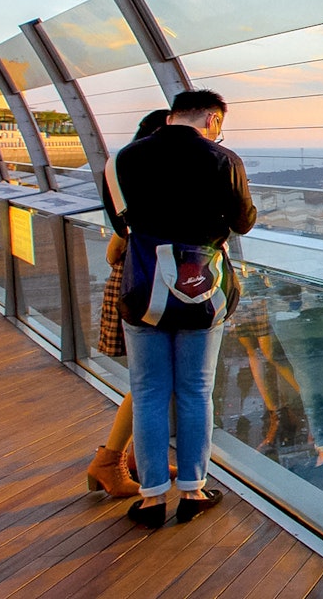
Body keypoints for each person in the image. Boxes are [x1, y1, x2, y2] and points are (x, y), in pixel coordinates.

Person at [110, 90, 255, 528]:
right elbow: (244, 219)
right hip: (201, 289)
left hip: (146, 288)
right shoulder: (223, 159)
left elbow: (121, 224)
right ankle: (193, 489)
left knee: (150, 392)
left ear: (173, 116)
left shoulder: (124, 158)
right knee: (196, 391)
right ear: (212, 119)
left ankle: (152, 497)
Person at [86, 109, 171, 499]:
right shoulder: (143, 181)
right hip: (147, 288)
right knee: (149, 381)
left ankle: (140, 456)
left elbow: (114, 249)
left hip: (136, 284)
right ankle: (110, 459)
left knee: (153, 380)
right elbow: (120, 243)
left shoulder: (123, 173)